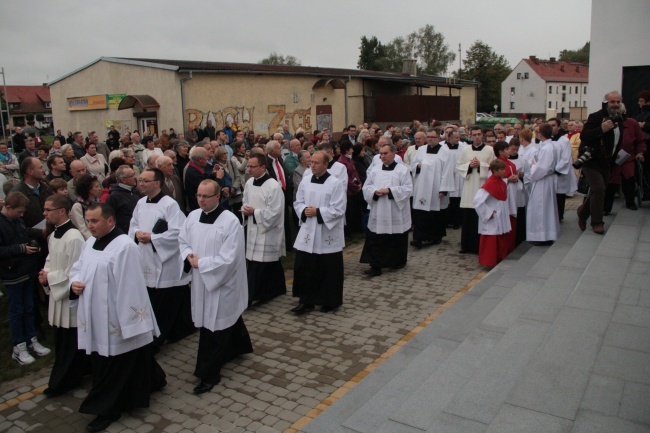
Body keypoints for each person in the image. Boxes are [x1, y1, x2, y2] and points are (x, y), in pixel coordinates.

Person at [69, 203, 165, 432]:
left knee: (117, 363)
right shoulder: (91, 242)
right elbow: (78, 268)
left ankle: (106, 408)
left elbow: (131, 288)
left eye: (94, 221)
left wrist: (131, 325)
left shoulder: (124, 247)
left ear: (110, 221)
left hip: (116, 320)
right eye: (88, 221)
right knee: (125, 360)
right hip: (94, 315)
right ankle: (154, 381)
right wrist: (74, 282)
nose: (90, 226)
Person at [178, 180, 253, 394]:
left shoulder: (230, 222)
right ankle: (239, 346)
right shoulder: (192, 217)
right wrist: (187, 256)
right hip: (201, 280)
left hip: (222, 281)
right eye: (198, 195)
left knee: (215, 326)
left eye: (206, 196)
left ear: (217, 197)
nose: (200, 200)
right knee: (222, 320)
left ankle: (209, 374)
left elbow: (230, 258)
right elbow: (182, 240)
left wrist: (200, 263)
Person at [129, 168, 194, 350]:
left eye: (145, 181)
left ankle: (161, 335)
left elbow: (177, 232)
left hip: (164, 260)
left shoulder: (169, 204)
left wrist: (153, 238)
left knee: (167, 299)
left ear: (157, 183)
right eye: (140, 180)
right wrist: (137, 233)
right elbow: (133, 224)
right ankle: (180, 328)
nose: (141, 183)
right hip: (146, 255)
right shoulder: (141, 203)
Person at [38, 194, 87, 396]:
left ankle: (64, 381)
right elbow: (50, 260)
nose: (44, 213)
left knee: (71, 342)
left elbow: (75, 271)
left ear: (61, 211)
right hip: (57, 293)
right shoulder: (54, 235)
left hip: (68, 296)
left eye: (48, 210)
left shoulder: (74, 237)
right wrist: (45, 274)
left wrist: (51, 277)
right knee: (62, 340)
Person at [291, 151, 346, 315]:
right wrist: (305, 210)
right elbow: (298, 201)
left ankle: (330, 301)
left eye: (316, 163)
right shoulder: (306, 181)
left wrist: (318, 212)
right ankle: (305, 300)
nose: (312, 165)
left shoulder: (335, 183)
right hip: (308, 231)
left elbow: (339, 209)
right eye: (311, 162)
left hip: (326, 233)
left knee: (327, 268)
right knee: (305, 266)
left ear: (325, 165)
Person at [0, 192, 50, 365]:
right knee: (17, 311)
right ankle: (18, 346)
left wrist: (36, 236)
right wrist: (22, 248)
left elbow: (24, 232)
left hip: (26, 271)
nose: (22, 215)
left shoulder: (17, 221)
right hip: (12, 274)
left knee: (29, 307)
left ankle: (31, 340)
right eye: (19, 212)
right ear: (9, 207)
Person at [578, 91, 627, 234]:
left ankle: (582, 213)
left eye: (618, 102)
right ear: (606, 102)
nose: (616, 105)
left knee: (599, 191)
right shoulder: (596, 117)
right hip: (591, 160)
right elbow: (584, 136)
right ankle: (597, 222)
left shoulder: (620, 120)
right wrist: (601, 129)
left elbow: (616, 142)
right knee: (598, 189)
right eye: (612, 102)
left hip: (607, 161)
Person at [360, 143, 412, 276]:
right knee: (377, 237)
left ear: (393, 153)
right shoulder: (375, 170)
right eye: (381, 154)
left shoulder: (402, 170)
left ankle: (396, 262)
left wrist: (389, 191)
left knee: (395, 237)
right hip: (379, 210)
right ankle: (375, 265)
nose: (382, 156)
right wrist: (375, 192)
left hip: (395, 211)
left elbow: (408, 189)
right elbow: (366, 187)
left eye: (385, 153)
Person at [241, 154, 287, 305]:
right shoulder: (249, 183)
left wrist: (253, 213)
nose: (249, 169)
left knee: (264, 263)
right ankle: (276, 288)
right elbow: (245, 201)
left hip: (268, 231)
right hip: (253, 228)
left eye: (252, 166)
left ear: (263, 167)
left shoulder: (273, 186)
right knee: (264, 263)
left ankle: (253, 295)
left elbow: (275, 212)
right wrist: (245, 209)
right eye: (248, 166)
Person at [410, 129, 455, 248]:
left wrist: (443, 190)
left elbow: (448, 171)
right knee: (420, 212)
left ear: (438, 139)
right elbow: (413, 164)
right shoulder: (421, 150)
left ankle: (435, 236)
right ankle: (418, 238)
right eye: (428, 137)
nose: (429, 139)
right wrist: (417, 166)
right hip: (422, 187)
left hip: (436, 187)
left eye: (432, 137)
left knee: (435, 214)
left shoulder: (445, 151)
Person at [455, 126, 496, 254]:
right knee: (468, 218)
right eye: (474, 135)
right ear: (470, 136)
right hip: (469, 187)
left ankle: (480, 246)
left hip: (482, 186)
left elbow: (494, 167)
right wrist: (469, 166)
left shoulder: (489, 150)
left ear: (482, 135)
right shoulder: (466, 150)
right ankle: (466, 245)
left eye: (479, 134)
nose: (477, 137)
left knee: (480, 216)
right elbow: (458, 166)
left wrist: (480, 166)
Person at [604, 103, 646, 213]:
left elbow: (640, 140)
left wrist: (640, 152)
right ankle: (606, 207)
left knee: (629, 180)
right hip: (613, 158)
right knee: (611, 183)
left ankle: (630, 202)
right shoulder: (608, 123)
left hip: (628, 157)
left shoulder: (632, 123)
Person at [525, 124, 559, 244]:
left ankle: (541, 236)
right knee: (543, 206)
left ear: (541, 134)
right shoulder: (547, 146)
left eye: (537, 132)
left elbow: (542, 168)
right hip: (544, 180)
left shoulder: (547, 148)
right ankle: (543, 235)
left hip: (542, 181)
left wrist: (533, 167)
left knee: (540, 207)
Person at [473, 160, 511, 267]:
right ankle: (489, 261)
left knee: (500, 236)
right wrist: (489, 213)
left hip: (500, 217)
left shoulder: (501, 182)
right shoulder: (489, 184)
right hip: (492, 218)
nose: (505, 171)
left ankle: (499, 258)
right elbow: (477, 201)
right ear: (494, 171)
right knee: (491, 239)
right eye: (502, 169)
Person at [106, 165, 141, 233]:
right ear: (123, 180)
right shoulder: (114, 196)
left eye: (134, 174)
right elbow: (109, 217)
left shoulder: (134, 191)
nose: (135, 178)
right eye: (132, 176)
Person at [443, 130, 467, 229]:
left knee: (458, 199)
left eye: (459, 137)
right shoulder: (443, 148)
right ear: (449, 138)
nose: (458, 139)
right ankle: (447, 221)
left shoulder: (463, 148)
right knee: (448, 199)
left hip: (459, 176)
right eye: (456, 137)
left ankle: (457, 221)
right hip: (448, 176)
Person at [70, 174, 102, 240]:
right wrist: (95, 241)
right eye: (96, 187)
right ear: (89, 190)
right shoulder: (78, 207)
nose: (99, 189)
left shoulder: (99, 203)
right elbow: (82, 229)